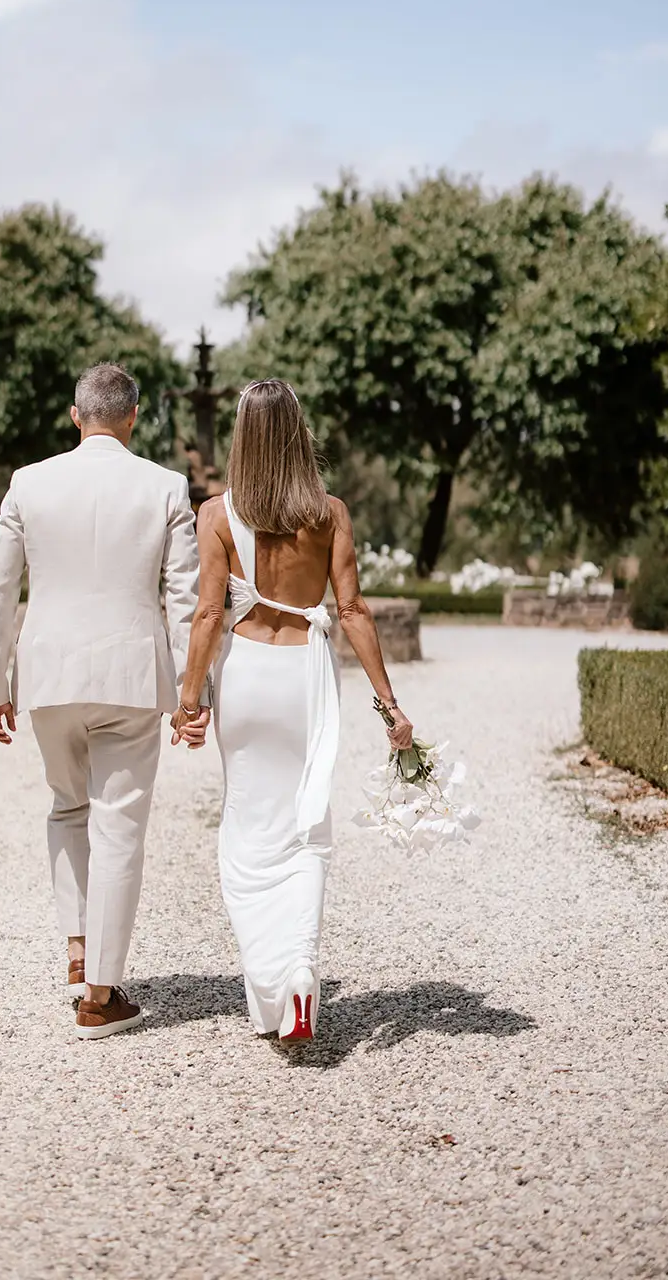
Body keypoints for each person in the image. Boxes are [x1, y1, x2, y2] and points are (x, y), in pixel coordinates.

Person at [172, 379, 413, 1045]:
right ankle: (300, 969)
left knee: (246, 834)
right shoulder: (330, 512)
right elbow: (353, 611)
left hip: (248, 676)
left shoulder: (216, 514)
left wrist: (188, 702)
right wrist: (389, 706)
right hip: (308, 676)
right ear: (299, 435)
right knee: (307, 825)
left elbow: (209, 615)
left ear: (241, 440)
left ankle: (274, 986)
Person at [0, 363, 208, 1039]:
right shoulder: (164, 486)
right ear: (132, 417)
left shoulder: (29, 482)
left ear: (75, 417)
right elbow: (189, 600)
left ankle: (78, 950)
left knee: (67, 808)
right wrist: (194, 694)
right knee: (119, 828)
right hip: (131, 680)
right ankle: (99, 996)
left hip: (47, 677)